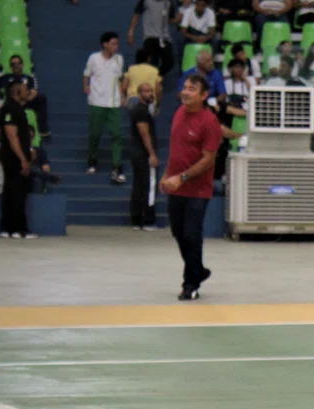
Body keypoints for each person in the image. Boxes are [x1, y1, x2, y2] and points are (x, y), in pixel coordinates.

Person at [160, 74, 222, 300]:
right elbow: (175, 150)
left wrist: (182, 177)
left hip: (197, 190)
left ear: (204, 95)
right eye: (184, 87)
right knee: (178, 233)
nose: (185, 92)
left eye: (191, 89)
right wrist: (167, 174)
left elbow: (208, 159)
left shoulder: (209, 122)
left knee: (191, 235)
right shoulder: (178, 114)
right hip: (176, 186)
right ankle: (199, 270)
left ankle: (190, 284)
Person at [84, 31, 128, 183]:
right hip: (97, 101)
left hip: (114, 103)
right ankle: (91, 161)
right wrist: (86, 86)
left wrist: (122, 95)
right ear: (105, 44)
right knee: (95, 134)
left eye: (117, 44)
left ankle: (117, 167)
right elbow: (86, 74)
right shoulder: (93, 58)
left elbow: (121, 79)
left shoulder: (119, 59)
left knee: (117, 134)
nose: (116, 46)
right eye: (113, 43)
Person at [0, 81, 35, 239]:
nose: (28, 91)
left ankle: (8, 228)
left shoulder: (17, 108)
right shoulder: (10, 109)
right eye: (26, 89)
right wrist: (23, 159)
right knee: (17, 192)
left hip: (14, 156)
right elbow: (12, 137)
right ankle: (19, 229)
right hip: (13, 157)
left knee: (11, 191)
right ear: (17, 92)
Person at [129, 82, 160, 230]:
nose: (150, 94)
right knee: (149, 186)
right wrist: (152, 154)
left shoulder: (142, 110)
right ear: (139, 94)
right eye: (146, 91)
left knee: (139, 186)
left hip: (138, 153)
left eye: (151, 91)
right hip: (143, 154)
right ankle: (148, 221)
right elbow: (144, 133)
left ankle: (136, 220)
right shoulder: (141, 111)